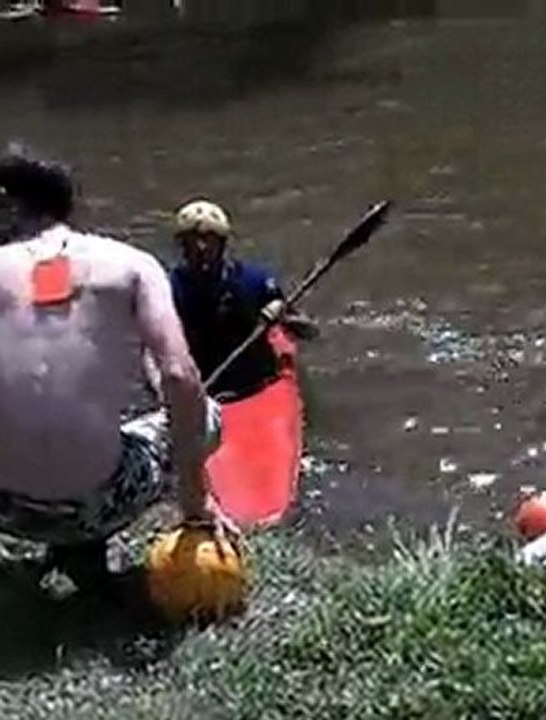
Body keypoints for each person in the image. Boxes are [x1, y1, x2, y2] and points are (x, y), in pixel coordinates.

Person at [0, 145, 224, 591]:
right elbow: (180, 378)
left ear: (10, 207)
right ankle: (86, 544)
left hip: (7, 511)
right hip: (100, 503)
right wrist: (195, 505)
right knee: (210, 413)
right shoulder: (133, 265)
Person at [157, 199, 317, 401]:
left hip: (256, 385)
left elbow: (310, 331)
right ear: (182, 246)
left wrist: (283, 316)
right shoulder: (166, 289)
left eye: (209, 239)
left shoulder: (254, 281)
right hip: (203, 391)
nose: (201, 247)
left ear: (222, 243)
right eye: (192, 240)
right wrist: (163, 392)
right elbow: (152, 349)